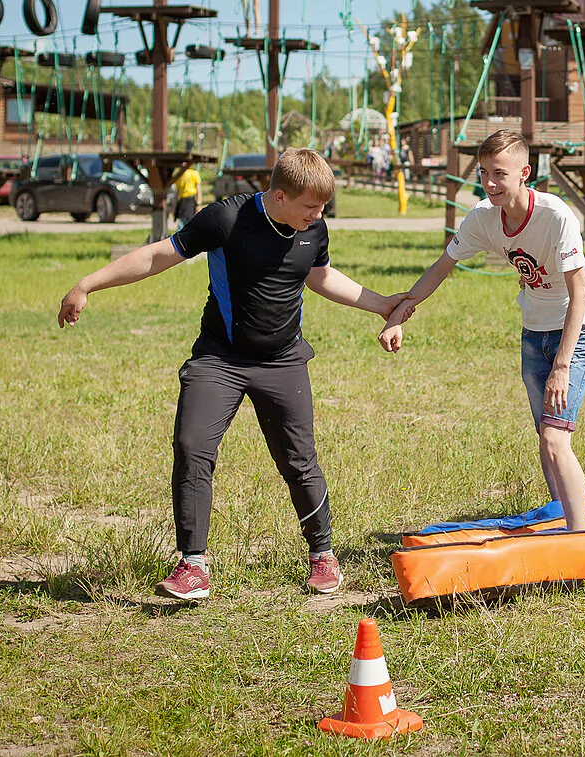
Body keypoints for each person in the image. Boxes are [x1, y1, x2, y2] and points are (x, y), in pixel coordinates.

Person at [57, 148, 409, 600]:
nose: (318, 216)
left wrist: (380, 304)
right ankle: (192, 565)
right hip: (219, 359)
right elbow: (159, 256)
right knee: (191, 446)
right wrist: (87, 284)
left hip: (283, 360)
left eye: (321, 209)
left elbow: (317, 276)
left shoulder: (313, 228)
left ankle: (323, 554)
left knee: (298, 461)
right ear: (279, 195)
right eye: (310, 208)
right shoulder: (226, 220)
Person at [378, 130, 585, 531]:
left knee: (555, 439)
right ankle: (559, 519)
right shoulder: (483, 216)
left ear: (524, 173)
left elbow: (580, 292)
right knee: (546, 438)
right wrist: (400, 311)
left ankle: (579, 538)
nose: (491, 183)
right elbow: (441, 268)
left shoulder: (555, 216)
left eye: (500, 173)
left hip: (576, 330)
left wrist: (563, 366)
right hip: (534, 331)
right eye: (484, 173)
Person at [173, 161, 202, 228]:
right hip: (182, 201)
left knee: (189, 222)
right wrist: (174, 206)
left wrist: (198, 204)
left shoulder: (194, 173)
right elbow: (177, 191)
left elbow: (198, 190)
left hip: (190, 200)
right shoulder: (180, 175)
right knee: (181, 222)